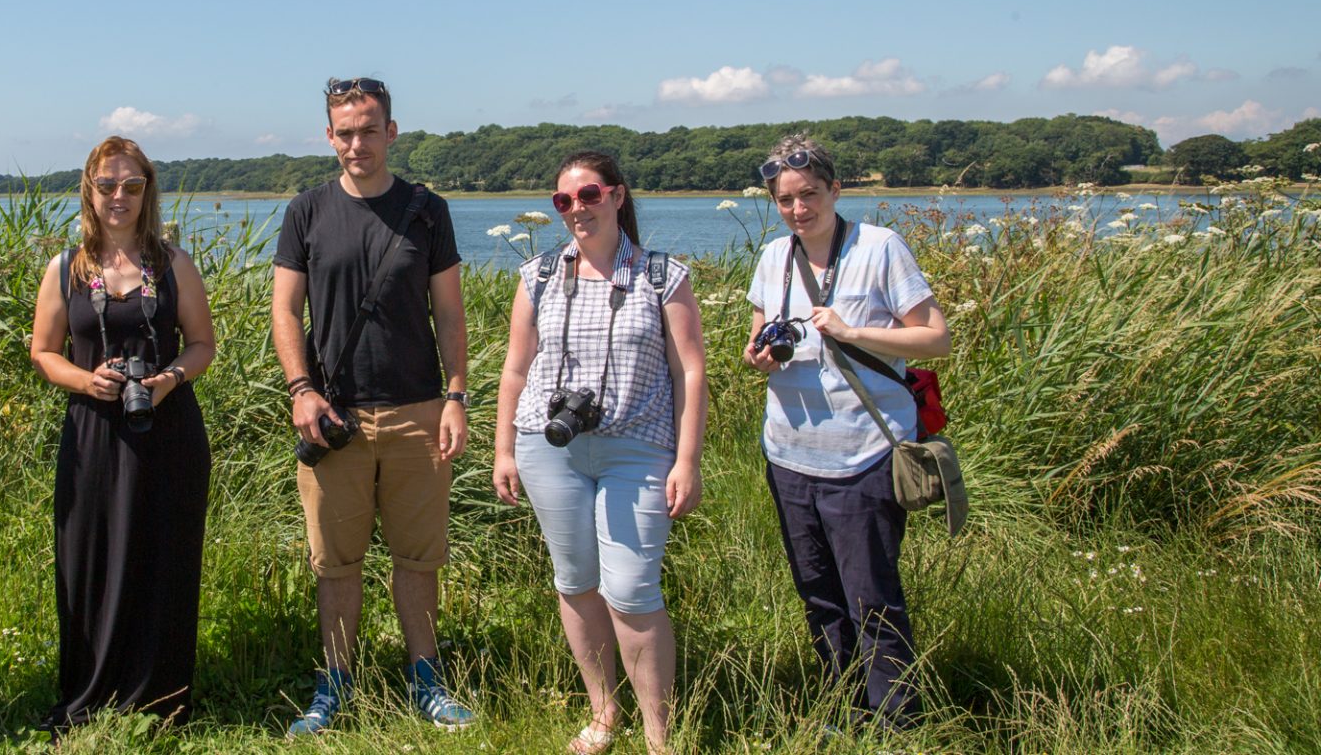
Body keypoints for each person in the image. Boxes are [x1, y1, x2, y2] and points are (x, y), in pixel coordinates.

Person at [271, 77, 475, 735]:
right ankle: (334, 683)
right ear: (329, 138)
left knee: (419, 559)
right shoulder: (306, 211)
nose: (358, 143)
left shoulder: (426, 210)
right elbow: (284, 309)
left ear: (391, 131)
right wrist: (301, 391)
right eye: (345, 132)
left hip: (418, 410)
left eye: (369, 129)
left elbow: (449, 311)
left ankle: (426, 678)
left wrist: (456, 395)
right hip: (335, 417)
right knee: (336, 562)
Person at [492, 151, 708, 755]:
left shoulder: (664, 276)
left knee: (634, 590)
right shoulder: (536, 275)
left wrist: (686, 461)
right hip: (548, 445)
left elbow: (690, 372)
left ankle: (659, 735)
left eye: (589, 196)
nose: (577, 210)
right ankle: (604, 714)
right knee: (577, 582)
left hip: (637, 449)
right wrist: (503, 448)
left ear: (616, 196)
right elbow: (515, 369)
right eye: (564, 201)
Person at [740, 134, 950, 731]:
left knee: (872, 595)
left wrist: (853, 332)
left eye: (809, 195)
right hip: (789, 453)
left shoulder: (881, 249)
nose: (798, 209)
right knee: (819, 591)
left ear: (835, 190)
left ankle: (897, 720)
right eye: (785, 200)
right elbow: (758, 339)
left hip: (865, 453)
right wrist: (760, 355)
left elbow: (936, 338)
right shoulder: (773, 258)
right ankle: (844, 706)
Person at [29, 136, 215, 738]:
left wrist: (168, 380)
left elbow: (202, 345)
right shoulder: (64, 269)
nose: (119, 196)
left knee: (164, 560)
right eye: (107, 185)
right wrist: (88, 381)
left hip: (169, 432)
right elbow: (42, 353)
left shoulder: (173, 263)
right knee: (89, 560)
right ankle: (90, 691)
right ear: (89, 189)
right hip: (93, 435)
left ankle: (161, 701)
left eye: (131, 186)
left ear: (147, 191)